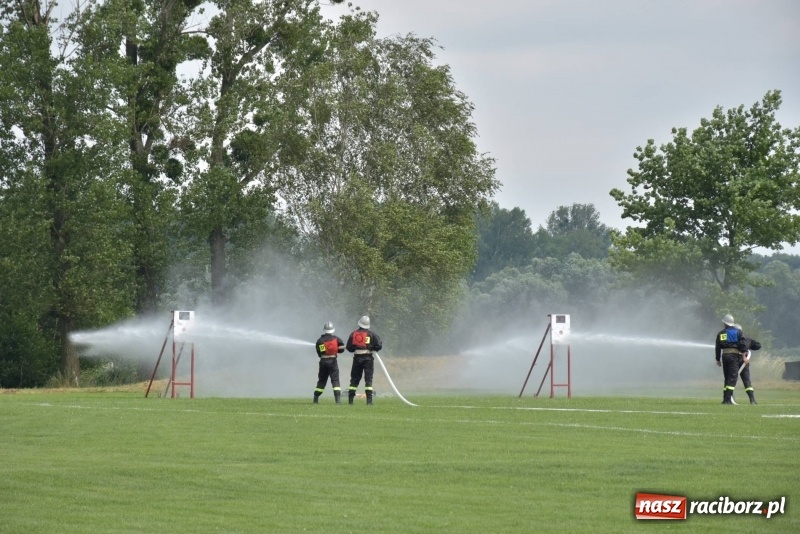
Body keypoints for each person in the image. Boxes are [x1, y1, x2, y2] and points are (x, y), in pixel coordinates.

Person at [346, 315, 382, 405]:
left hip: (357, 358)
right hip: (368, 359)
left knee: (354, 379)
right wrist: (371, 347)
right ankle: (369, 402)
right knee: (368, 379)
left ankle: (350, 401)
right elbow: (379, 345)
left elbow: (349, 348)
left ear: (359, 323)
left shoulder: (353, 334)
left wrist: (356, 347)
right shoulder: (371, 334)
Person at [313, 322, 345, 404]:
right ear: (332, 330)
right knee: (335, 380)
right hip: (333, 361)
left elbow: (319, 353)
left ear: (324, 330)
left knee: (322, 380)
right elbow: (342, 349)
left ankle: (316, 398)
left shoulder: (320, 340)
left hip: (323, 362)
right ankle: (338, 400)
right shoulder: (336, 338)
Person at [715, 314, 743, 405]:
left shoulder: (721, 333)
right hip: (734, 356)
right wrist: (742, 352)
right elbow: (742, 344)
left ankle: (725, 398)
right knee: (733, 377)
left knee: (727, 377)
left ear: (725, 323)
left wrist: (718, 359)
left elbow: (718, 347)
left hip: (725, 356)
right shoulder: (738, 332)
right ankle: (728, 399)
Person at [734, 324, 761, 405]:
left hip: (735, 361)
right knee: (746, 380)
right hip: (744, 362)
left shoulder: (731, 340)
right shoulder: (747, 339)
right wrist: (750, 347)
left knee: (731, 380)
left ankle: (729, 398)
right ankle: (752, 399)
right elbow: (758, 345)